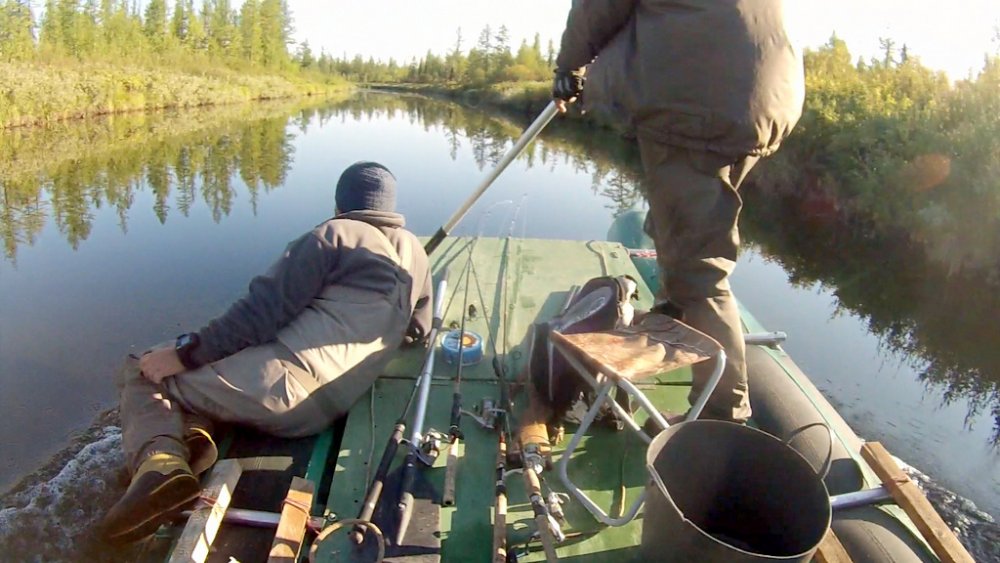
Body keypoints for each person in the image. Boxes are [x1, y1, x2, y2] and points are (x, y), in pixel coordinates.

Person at [99, 161, 432, 544]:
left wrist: (183, 355)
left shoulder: (333, 235)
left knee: (142, 369)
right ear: (389, 206)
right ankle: (194, 439)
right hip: (332, 404)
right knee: (202, 383)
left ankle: (161, 468)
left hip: (280, 389)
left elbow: (258, 314)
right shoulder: (416, 253)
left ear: (340, 205)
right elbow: (418, 330)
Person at [553, 0, 805, 423]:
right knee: (683, 224)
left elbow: (599, 7)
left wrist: (569, 67)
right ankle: (673, 317)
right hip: (763, 94)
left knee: (699, 270)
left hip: (696, 101)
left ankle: (720, 416)